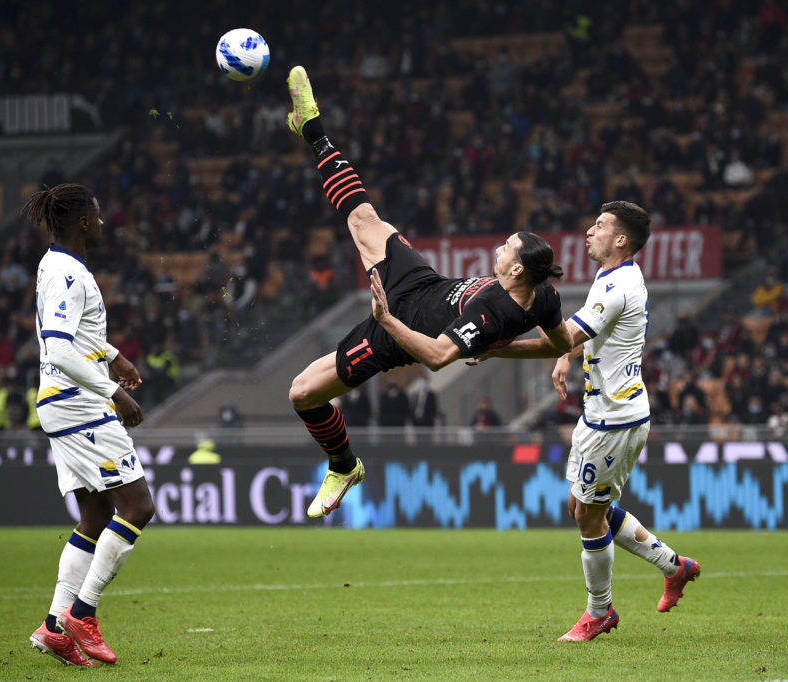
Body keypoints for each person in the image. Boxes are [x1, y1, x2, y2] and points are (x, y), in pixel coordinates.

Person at [283, 66, 572, 519]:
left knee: (302, 394)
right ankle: (312, 128)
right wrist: (524, 353)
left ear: (516, 268)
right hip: (422, 282)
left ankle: (343, 466)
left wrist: (385, 320)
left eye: (505, 247)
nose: (498, 248)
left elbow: (437, 357)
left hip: (397, 331)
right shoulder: (544, 296)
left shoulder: (491, 314)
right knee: (363, 218)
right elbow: (562, 342)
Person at [546, 202, 700, 642]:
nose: (588, 231)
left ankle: (600, 612)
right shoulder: (612, 277)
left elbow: (574, 330)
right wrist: (565, 353)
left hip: (616, 421)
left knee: (590, 520)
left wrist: (497, 342)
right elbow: (589, 332)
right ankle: (675, 565)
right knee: (580, 508)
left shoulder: (620, 285)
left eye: (599, 225)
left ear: (621, 240)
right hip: (598, 415)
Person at [22, 183, 156, 667]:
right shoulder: (68, 274)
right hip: (78, 403)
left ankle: (56, 628)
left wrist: (115, 357)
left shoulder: (56, 266)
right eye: (97, 216)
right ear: (82, 222)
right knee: (138, 506)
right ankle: (83, 612)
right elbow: (58, 348)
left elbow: (73, 335)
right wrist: (112, 391)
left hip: (64, 401)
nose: (102, 223)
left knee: (96, 518)